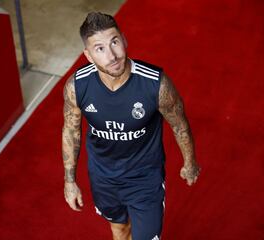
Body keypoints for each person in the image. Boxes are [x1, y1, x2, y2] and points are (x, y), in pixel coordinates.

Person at [62, 12, 200, 240]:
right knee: (120, 230)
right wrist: (70, 181)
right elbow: (71, 129)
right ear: (87, 55)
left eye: (114, 42)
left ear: (124, 40)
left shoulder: (155, 83)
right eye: (100, 49)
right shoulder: (77, 86)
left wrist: (190, 162)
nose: (112, 55)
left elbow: (179, 125)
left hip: (144, 178)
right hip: (103, 177)